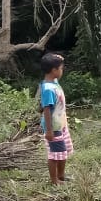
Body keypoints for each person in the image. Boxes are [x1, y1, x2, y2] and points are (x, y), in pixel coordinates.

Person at [38, 53, 73, 184]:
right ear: (54, 70)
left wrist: (59, 59)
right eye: (61, 68)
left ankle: (61, 175)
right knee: (55, 154)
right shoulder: (48, 89)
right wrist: (49, 131)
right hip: (53, 127)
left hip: (60, 124)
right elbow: (46, 110)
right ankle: (54, 180)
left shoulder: (53, 82)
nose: (62, 70)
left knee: (62, 151)